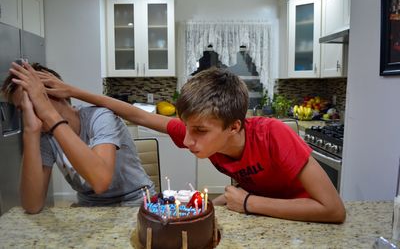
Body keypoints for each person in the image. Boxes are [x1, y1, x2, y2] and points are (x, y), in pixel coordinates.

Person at [10, 63, 346, 223]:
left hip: (307, 223)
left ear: (234, 127)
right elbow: (138, 116)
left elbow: (333, 209)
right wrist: (75, 91)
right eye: (186, 128)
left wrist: (248, 202)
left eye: (198, 131)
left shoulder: (275, 134)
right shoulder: (200, 134)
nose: (187, 140)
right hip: (266, 219)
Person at [2, 62, 155, 214]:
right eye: (23, 109)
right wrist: (30, 132)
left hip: (135, 201)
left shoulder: (100, 117)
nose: (29, 113)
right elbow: (32, 205)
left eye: (32, 102)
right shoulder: (44, 134)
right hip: (90, 205)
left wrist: (48, 112)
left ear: (52, 95)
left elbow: (100, 181)